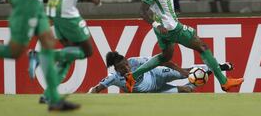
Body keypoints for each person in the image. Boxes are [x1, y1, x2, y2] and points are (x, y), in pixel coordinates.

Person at [124, 0, 244, 93]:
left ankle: (132, 77)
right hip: (171, 28)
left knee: (165, 56)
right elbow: (142, 11)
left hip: (163, 28)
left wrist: (161, 21)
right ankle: (224, 82)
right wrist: (158, 25)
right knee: (203, 47)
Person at [89, 51, 234, 93]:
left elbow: (161, 60)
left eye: (126, 64)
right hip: (154, 92)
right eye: (122, 68)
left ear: (127, 61)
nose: (126, 68)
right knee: (187, 90)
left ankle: (219, 67)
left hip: (156, 75)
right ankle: (206, 74)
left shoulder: (134, 61)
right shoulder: (113, 78)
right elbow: (96, 89)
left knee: (188, 72)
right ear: (116, 69)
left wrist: (181, 71)